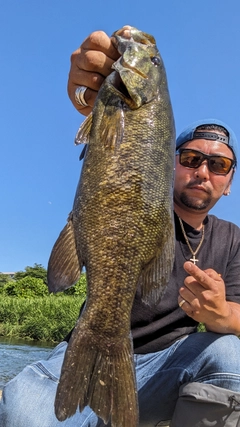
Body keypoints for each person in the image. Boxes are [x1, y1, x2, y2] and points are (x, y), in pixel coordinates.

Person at [1, 27, 240, 427]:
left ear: (229, 183)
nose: (203, 171)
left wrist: (220, 315)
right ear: (169, 161)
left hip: (170, 363)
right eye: (191, 157)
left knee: (231, 353)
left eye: (218, 165)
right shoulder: (123, 118)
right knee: (22, 412)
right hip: (85, 345)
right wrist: (87, 95)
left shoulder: (232, 239)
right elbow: (91, 103)